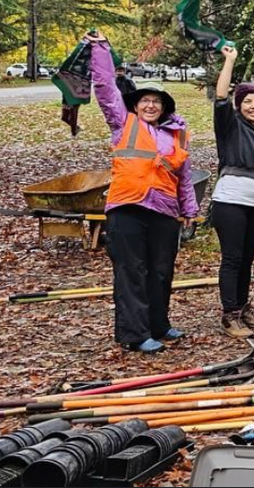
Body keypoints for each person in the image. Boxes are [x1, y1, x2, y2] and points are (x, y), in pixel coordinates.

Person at [86, 31, 198, 354]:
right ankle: (134, 334)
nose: (150, 105)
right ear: (136, 105)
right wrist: (101, 49)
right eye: (145, 101)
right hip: (127, 207)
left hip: (164, 210)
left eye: (156, 101)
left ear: (164, 107)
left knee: (161, 270)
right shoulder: (123, 123)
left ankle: (158, 325)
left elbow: (184, 177)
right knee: (131, 270)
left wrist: (189, 210)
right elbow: (105, 88)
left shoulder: (177, 136)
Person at [211, 44, 254, 338]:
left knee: (248, 259)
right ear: (239, 105)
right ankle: (229, 315)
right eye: (248, 101)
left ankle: (242, 308)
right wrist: (230, 60)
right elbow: (220, 97)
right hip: (231, 200)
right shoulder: (230, 127)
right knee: (233, 258)